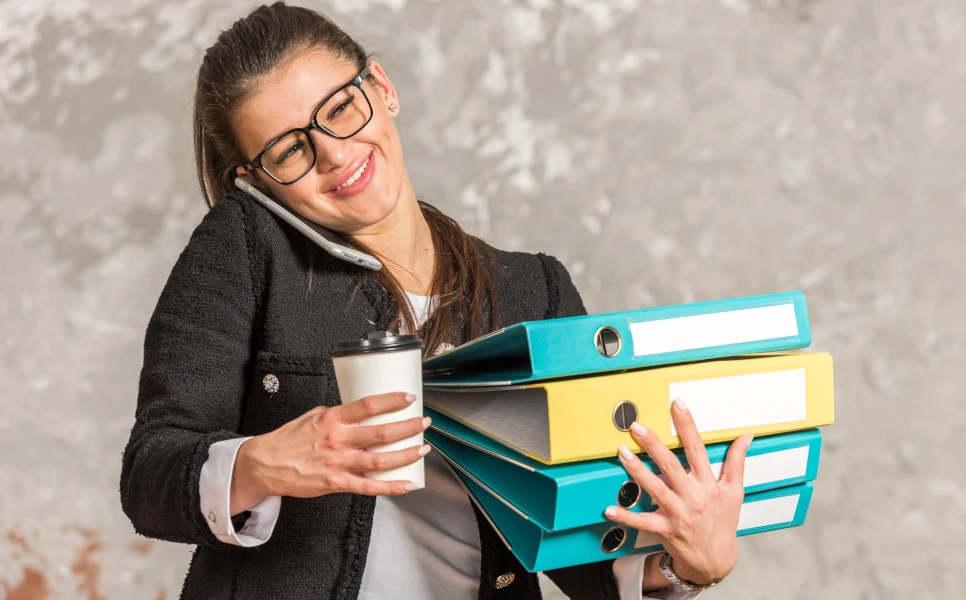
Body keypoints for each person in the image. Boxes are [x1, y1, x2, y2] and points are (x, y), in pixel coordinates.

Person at [119, 3, 752, 599]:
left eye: (341, 108)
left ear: (382, 88)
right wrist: (262, 464)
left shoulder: (535, 289)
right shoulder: (244, 246)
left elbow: (581, 536)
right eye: (289, 150)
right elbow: (149, 473)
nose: (334, 153)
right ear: (255, 183)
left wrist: (683, 563)